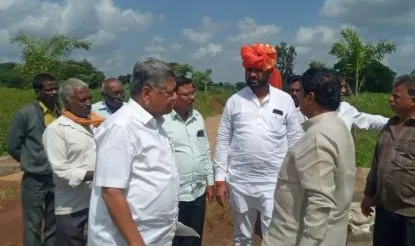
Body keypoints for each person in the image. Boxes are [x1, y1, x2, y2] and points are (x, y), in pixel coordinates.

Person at [214, 43, 303, 246]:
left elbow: (295, 141)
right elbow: (223, 141)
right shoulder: (234, 101)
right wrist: (220, 180)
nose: (253, 74)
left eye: (258, 70)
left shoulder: (284, 100)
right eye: (249, 69)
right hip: (239, 181)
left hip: (273, 181)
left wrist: (296, 178)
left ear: (269, 71)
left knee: (272, 235)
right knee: (241, 235)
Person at [88, 58, 179, 246]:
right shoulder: (122, 127)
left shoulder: (155, 125)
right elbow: (112, 193)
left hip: (155, 237)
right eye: (169, 93)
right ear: (147, 93)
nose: (174, 98)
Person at [262, 67, 356, 246]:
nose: (297, 97)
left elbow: (319, 202)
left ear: (310, 97)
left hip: (295, 238)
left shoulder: (317, 137)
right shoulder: (338, 125)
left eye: (301, 92)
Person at [361, 75, 415, 246]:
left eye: (396, 97)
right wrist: (368, 193)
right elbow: (377, 163)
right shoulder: (387, 128)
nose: (390, 99)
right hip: (386, 211)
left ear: (413, 101)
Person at [42, 78, 103, 246]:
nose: (89, 103)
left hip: (98, 202)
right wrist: (97, 175)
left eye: (89, 98)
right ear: (67, 102)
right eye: (82, 100)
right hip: (72, 208)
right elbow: (60, 170)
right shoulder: (56, 130)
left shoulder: (96, 124)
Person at [7, 73, 60, 246]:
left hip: (56, 177)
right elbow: (14, 146)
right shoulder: (25, 114)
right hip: (34, 179)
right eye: (49, 89)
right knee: (32, 225)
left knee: (53, 224)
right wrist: (30, 161)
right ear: (38, 92)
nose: (54, 92)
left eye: (55, 88)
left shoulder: (61, 112)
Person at [162, 75, 214, 246]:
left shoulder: (198, 117)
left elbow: (205, 150)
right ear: (174, 96)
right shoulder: (162, 121)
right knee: (174, 240)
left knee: (193, 238)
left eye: (193, 93)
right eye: (187, 94)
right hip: (175, 195)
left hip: (197, 192)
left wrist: (209, 181)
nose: (192, 97)